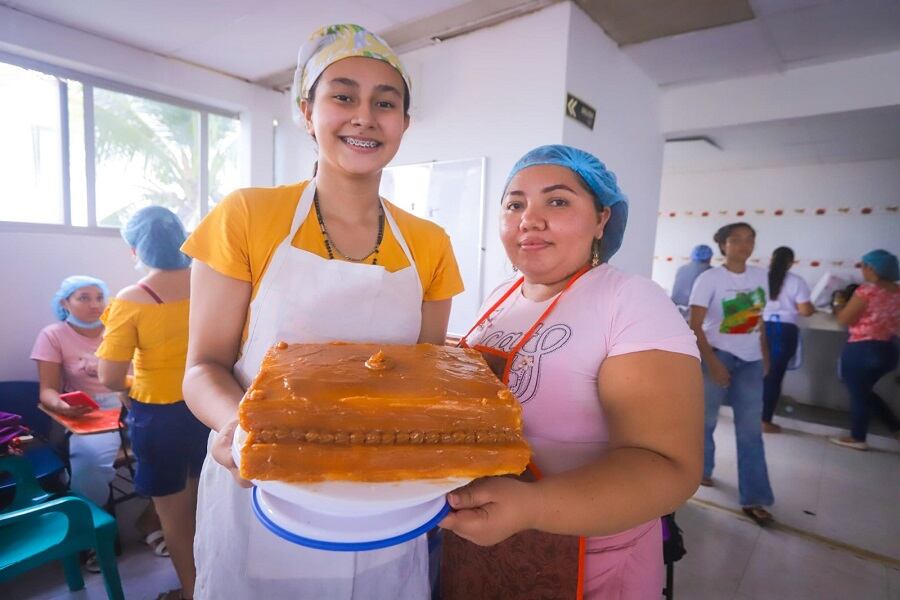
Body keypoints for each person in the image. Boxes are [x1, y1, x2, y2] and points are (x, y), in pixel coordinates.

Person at [180, 24, 464, 600]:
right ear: (307, 112)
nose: (364, 117)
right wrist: (241, 428)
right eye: (343, 96)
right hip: (263, 487)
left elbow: (425, 379)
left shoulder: (430, 243)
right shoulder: (247, 216)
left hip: (385, 496)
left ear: (404, 123)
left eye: (385, 102)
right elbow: (203, 367)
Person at [438, 145, 702, 599]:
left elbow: (669, 467)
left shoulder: (630, 301)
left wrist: (532, 506)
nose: (529, 219)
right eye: (514, 204)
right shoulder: (502, 296)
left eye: (557, 201)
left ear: (602, 219)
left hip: (588, 556)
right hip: (482, 544)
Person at [97, 206, 208, 600]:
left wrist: (131, 385)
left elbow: (110, 377)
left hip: (161, 419)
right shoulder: (211, 283)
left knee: (176, 520)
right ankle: (220, 584)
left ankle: (193, 593)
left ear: (135, 250)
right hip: (211, 407)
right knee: (209, 508)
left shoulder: (133, 299)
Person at [31, 276, 165, 569]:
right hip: (90, 412)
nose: (94, 305)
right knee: (90, 463)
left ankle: (152, 520)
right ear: (65, 303)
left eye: (99, 297)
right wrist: (63, 406)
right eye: (83, 297)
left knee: (177, 448)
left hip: (134, 401)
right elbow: (47, 390)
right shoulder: (53, 335)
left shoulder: (118, 326)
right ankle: (93, 536)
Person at [688, 222, 775, 526]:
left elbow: (759, 321)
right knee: (705, 421)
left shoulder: (760, 276)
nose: (744, 245)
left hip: (751, 360)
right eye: (736, 240)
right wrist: (712, 362)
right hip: (717, 355)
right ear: (723, 245)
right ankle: (701, 470)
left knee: (750, 430)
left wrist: (765, 354)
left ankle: (754, 496)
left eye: (750, 239)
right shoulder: (709, 279)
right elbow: (694, 325)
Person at [829, 249, 899, 450]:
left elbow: (844, 319)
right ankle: (895, 428)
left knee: (859, 394)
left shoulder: (867, 291)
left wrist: (838, 304)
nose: (861, 270)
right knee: (863, 391)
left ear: (871, 268)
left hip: (862, 349)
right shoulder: (897, 291)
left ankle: (858, 437)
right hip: (889, 350)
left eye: (863, 266)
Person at [761, 246, 814, 433]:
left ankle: (749, 417)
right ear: (791, 262)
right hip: (783, 331)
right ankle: (764, 420)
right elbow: (805, 311)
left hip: (760, 328)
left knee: (758, 374)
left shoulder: (760, 278)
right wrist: (812, 307)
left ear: (772, 260)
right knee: (774, 376)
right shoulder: (796, 281)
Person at [671, 244, 713, 315]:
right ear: (709, 257)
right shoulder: (710, 271)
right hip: (695, 314)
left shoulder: (681, 269)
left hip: (676, 311)